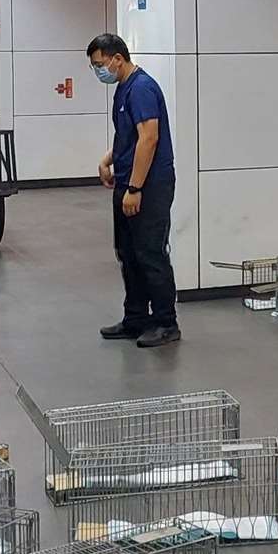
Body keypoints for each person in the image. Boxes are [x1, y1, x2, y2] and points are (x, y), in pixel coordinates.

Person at [90, 33, 180, 347]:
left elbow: (149, 138)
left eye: (101, 64)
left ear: (118, 58)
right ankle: (136, 319)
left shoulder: (142, 88)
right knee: (127, 254)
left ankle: (166, 323)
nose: (99, 71)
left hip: (149, 186)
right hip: (129, 181)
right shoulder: (123, 89)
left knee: (150, 253)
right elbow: (128, 136)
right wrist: (107, 159)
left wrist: (135, 188)